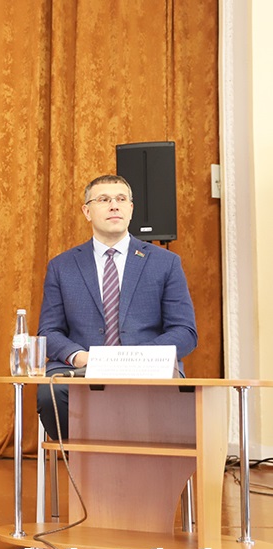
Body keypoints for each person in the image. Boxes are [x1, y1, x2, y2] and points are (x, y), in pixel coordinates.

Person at [36, 174, 197, 440]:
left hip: (148, 368)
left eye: (121, 199)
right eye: (104, 199)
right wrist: (81, 357)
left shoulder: (165, 262)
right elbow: (49, 331)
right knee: (51, 392)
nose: (114, 206)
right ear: (87, 211)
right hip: (84, 367)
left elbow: (185, 331)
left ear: (131, 209)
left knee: (171, 398)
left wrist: (137, 358)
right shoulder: (62, 266)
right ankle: (83, 458)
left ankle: (144, 461)